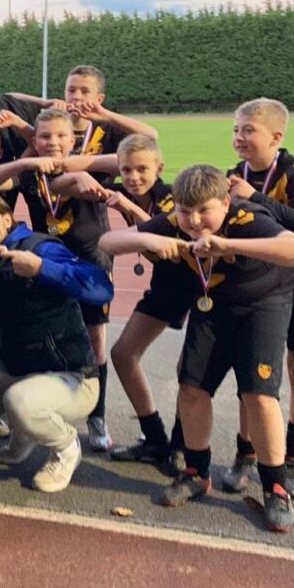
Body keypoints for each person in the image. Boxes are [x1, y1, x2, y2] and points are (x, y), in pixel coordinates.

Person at [100, 165, 294, 532]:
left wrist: (228, 244)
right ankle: (197, 472)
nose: (194, 221)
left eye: (204, 211)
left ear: (226, 203)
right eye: (185, 212)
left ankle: (276, 486)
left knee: (259, 396)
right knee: (192, 387)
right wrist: (147, 240)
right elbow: (107, 243)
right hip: (212, 306)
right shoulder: (175, 219)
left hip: (261, 307)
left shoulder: (248, 216)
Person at [0, 191, 113, 492]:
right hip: (13, 368)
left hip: (72, 377)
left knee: (20, 402)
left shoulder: (39, 247)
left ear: (7, 218)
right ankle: (23, 432)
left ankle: (66, 448)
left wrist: (42, 269)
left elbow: (100, 287)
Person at [0, 107, 119, 453]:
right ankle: (28, 411)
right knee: (42, 331)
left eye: (60, 137)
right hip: (45, 255)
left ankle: (96, 417)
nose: (52, 143)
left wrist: (81, 169)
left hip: (87, 259)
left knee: (93, 341)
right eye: (44, 137)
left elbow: (113, 165)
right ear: (34, 140)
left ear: (73, 140)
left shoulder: (88, 166)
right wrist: (26, 162)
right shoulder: (31, 171)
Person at [222, 98, 294, 498]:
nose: (239, 137)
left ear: (276, 136)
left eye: (248, 130)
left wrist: (255, 199)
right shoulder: (232, 175)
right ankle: (247, 452)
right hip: (264, 285)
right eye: (236, 129)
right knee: (252, 371)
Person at [105, 134, 190, 469]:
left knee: (189, 369)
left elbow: (166, 235)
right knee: (123, 354)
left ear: (160, 168)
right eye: (126, 170)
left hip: (201, 286)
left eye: (142, 169)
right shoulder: (126, 190)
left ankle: (184, 446)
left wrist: (129, 208)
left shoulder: (173, 197)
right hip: (167, 284)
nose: (133, 176)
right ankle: (155, 439)